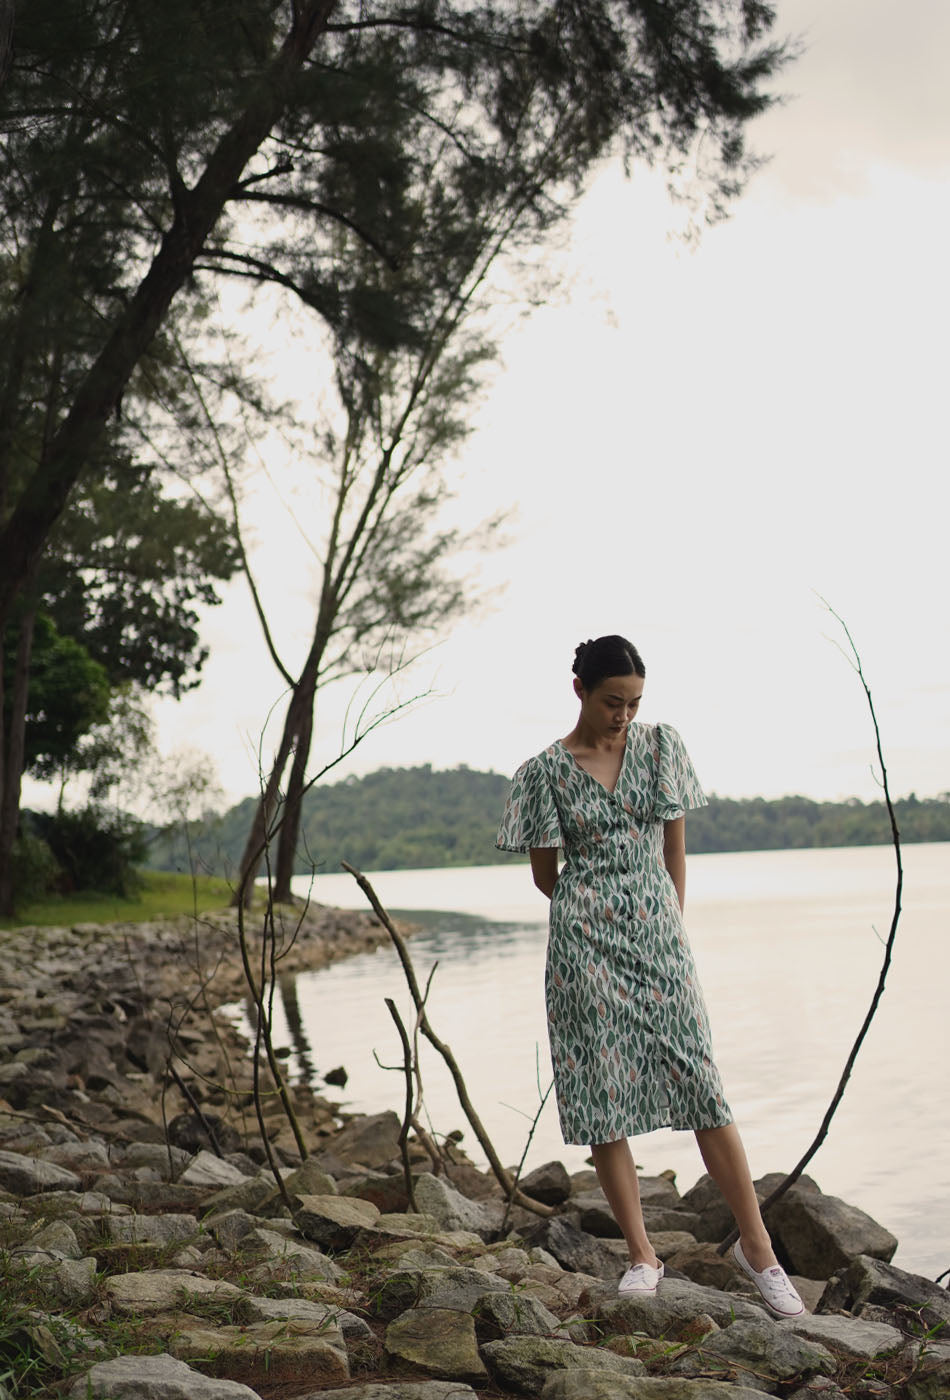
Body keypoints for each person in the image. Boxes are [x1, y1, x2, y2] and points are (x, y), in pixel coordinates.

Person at [496, 634, 803, 1317]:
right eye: (613, 702)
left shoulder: (662, 749)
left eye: (634, 703)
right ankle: (641, 1254)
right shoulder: (543, 773)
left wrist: (668, 929)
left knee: (701, 1085)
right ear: (580, 691)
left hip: (660, 942)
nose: (624, 716)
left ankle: (760, 1250)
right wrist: (600, 915)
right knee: (603, 1095)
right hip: (584, 949)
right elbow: (548, 877)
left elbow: (674, 849)